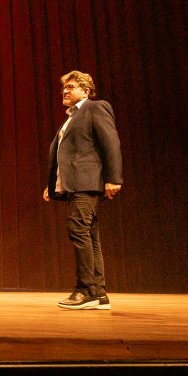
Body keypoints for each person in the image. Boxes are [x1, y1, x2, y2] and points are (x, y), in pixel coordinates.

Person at [43, 70, 122, 310]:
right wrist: (53, 185)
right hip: (76, 183)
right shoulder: (71, 117)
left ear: (86, 91)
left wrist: (113, 178)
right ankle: (99, 293)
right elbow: (68, 154)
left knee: (77, 229)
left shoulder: (96, 108)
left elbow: (111, 142)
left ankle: (86, 290)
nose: (65, 91)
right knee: (89, 235)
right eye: (64, 88)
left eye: (71, 87)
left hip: (88, 182)